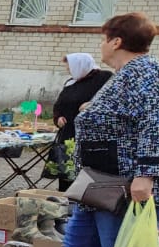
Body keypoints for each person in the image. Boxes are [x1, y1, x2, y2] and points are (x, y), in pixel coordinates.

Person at [4, 12, 159, 247]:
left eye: (104, 38)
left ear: (117, 41)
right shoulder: (125, 75)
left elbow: (156, 124)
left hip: (120, 183)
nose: (101, 45)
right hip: (98, 181)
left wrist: (146, 175)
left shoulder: (145, 73)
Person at [47, 52, 113, 190]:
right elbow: (59, 105)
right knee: (66, 172)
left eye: (70, 68)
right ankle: (66, 204)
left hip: (90, 135)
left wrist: (91, 105)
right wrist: (58, 117)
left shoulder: (104, 78)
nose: (68, 71)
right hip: (68, 133)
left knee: (86, 174)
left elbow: (112, 100)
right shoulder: (71, 83)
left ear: (80, 66)